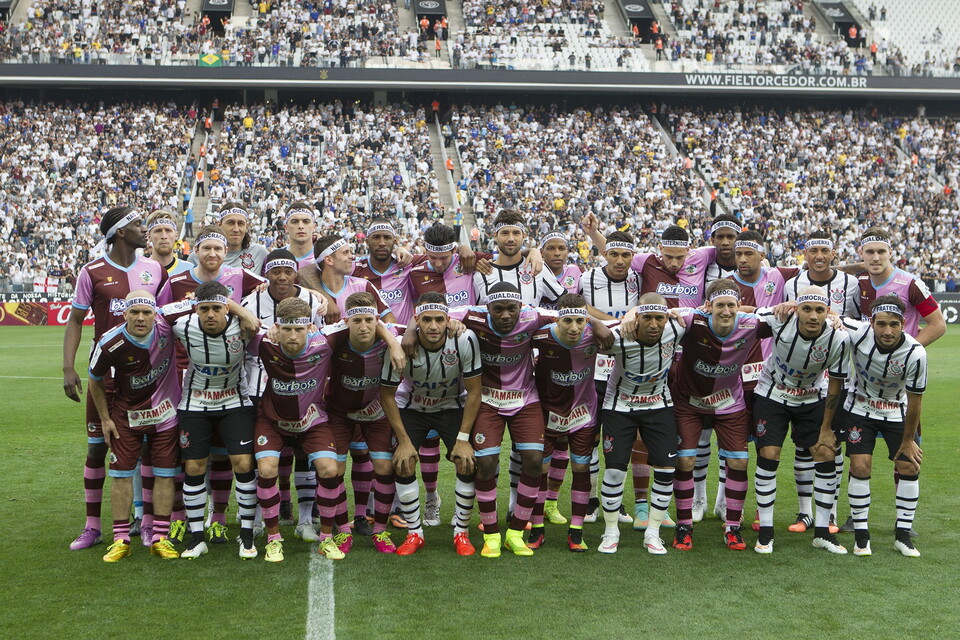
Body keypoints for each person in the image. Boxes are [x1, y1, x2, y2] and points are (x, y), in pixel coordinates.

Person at [63, 206, 166, 550]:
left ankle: (148, 523)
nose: (144, 229)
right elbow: (75, 320)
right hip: (105, 376)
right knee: (96, 448)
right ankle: (92, 527)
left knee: (147, 448)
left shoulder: (154, 268)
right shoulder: (91, 271)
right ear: (120, 232)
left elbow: (165, 318)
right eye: (137, 224)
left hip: (146, 375)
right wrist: (68, 367)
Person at [670, 279, 771, 551]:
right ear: (708, 306)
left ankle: (733, 528)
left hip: (729, 403)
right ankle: (684, 526)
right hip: (689, 403)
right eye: (720, 306)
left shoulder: (751, 323)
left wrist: (829, 316)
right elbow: (656, 314)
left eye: (731, 305)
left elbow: (791, 316)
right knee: (685, 460)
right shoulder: (692, 319)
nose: (726, 312)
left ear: (740, 306)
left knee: (738, 461)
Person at [381, 292, 483, 556]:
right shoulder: (399, 345)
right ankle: (415, 533)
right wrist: (404, 441)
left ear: (449, 320)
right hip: (413, 407)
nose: (434, 326)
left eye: (439, 319)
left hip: (451, 405)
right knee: (403, 461)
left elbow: (474, 391)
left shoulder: (464, 339)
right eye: (427, 320)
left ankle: (461, 532)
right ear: (416, 320)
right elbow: (387, 395)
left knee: (466, 461)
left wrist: (463, 439)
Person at [750, 287, 849, 554]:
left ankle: (823, 533)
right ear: (796, 310)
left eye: (819, 310)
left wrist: (826, 428)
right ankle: (766, 533)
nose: (813, 316)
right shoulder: (779, 319)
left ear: (828, 312)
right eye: (807, 309)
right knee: (769, 453)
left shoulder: (838, 337)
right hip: (772, 393)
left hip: (813, 397)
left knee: (825, 452)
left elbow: (836, 385)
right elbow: (744, 313)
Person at [169, 281, 261, 560]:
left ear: (227, 308)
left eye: (217, 308)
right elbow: (155, 314)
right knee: (193, 466)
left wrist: (241, 312)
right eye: (204, 309)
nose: (210, 314)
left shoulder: (242, 327)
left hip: (235, 402)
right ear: (195, 309)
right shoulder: (182, 326)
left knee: (243, 463)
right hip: (195, 403)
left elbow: (268, 331)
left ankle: (246, 535)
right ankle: (197, 538)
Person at [829, 296, 926, 557]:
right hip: (860, 408)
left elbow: (915, 401)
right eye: (881, 324)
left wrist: (908, 440)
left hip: (896, 410)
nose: (887, 331)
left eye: (894, 324)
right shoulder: (858, 332)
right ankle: (862, 537)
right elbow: (827, 314)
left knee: (909, 465)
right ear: (871, 322)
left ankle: (903, 536)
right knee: (860, 466)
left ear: (903, 323)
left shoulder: (916, 353)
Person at [247, 298, 343, 562]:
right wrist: (261, 325)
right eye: (286, 329)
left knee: (330, 469)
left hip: (312, 421)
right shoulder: (264, 342)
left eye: (299, 329)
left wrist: (394, 342)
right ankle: (273, 540)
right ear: (277, 327)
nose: (292, 336)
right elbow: (238, 321)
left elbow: (370, 322)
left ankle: (326, 538)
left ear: (310, 327)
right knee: (267, 469)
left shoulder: (324, 341)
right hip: (272, 421)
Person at [242, 249, 327, 542]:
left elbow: (322, 341)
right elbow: (245, 339)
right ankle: (257, 518)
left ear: (295, 273)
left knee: (304, 453)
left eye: (287, 271)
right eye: (275, 271)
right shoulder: (251, 301)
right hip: (260, 385)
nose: (281, 277)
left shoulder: (314, 301)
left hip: (304, 387)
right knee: (261, 457)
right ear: (265, 274)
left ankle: (305, 518)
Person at [89, 291, 181, 562]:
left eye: (146, 312)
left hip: (165, 416)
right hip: (126, 419)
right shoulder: (109, 342)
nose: (141, 318)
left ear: (156, 313)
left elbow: (205, 300)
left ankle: (160, 538)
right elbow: (94, 378)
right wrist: (105, 419)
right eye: (134, 312)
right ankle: (121, 540)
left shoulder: (166, 323)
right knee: (121, 475)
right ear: (124, 314)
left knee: (165, 475)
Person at [784, 231, 860, 535]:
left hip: (838, 377)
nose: (818, 256)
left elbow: (858, 326)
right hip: (804, 379)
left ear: (833, 253)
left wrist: (840, 321)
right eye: (813, 250)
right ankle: (805, 513)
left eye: (824, 251)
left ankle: (829, 514)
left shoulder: (850, 283)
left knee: (832, 444)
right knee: (804, 446)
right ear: (805, 254)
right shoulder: (792, 284)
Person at [597, 293, 685, 554]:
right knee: (614, 472)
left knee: (666, 470)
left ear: (667, 317)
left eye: (659, 318)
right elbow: (584, 321)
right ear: (637, 318)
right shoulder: (619, 335)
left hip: (659, 406)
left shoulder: (678, 327)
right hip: (619, 407)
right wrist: (624, 317)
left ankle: (653, 533)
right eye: (647, 318)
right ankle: (611, 531)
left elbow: (711, 310)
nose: (654, 324)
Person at [325, 292, 407, 554]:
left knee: (384, 467)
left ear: (377, 321)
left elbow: (420, 329)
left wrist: (393, 342)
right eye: (357, 321)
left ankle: (380, 531)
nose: (363, 326)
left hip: (376, 413)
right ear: (346, 321)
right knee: (334, 470)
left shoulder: (393, 334)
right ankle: (342, 529)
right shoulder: (332, 337)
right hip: (340, 413)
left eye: (369, 320)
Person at [531, 293, 612, 552]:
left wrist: (598, 323)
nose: (574, 327)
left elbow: (630, 322)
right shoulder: (540, 335)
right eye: (568, 321)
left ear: (586, 319)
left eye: (580, 320)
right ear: (557, 319)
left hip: (583, 415)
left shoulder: (594, 335)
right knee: (539, 469)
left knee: (581, 468)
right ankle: (537, 528)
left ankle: (576, 532)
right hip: (546, 414)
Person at [578, 230, 642, 527]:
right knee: (589, 438)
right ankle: (590, 501)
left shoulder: (639, 279)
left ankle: (615, 502)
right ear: (604, 254)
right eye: (613, 254)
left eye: (625, 255)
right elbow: (578, 306)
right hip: (593, 370)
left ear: (632, 256)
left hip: (627, 371)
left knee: (620, 441)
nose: (619, 260)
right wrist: (614, 321)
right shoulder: (587, 278)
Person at [187, 202, 269, 275]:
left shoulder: (260, 253)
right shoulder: (197, 256)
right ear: (219, 225)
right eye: (230, 223)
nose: (236, 229)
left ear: (246, 226)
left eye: (240, 223)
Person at [146, 211, 192, 276]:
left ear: (176, 235)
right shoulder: (138, 271)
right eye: (158, 231)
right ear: (149, 236)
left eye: (168, 230)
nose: (164, 236)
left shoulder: (190, 271)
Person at [281, 202, 319, 270]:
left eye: (306, 221)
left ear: (314, 227)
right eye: (294, 222)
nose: (300, 226)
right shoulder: (275, 258)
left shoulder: (324, 259)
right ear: (286, 228)